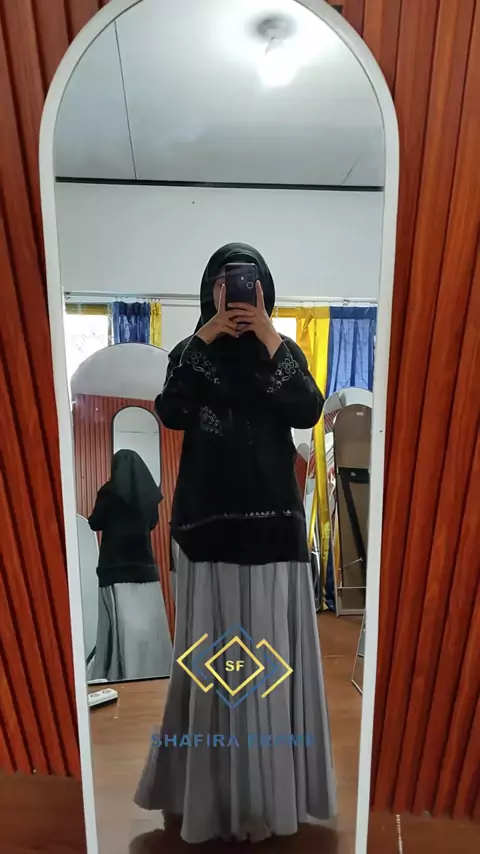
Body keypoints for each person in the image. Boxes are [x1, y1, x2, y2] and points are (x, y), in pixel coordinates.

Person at [134, 244, 336, 841]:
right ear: (212, 290)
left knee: (269, 669)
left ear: (264, 289)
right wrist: (205, 336)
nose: (238, 294)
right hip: (209, 532)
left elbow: (308, 408)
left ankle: (270, 796)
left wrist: (270, 333)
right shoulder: (191, 353)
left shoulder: (282, 352)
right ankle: (210, 795)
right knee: (212, 671)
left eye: (248, 283)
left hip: (273, 531)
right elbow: (171, 411)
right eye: (227, 284)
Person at [88, 448, 171, 681]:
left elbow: (95, 523)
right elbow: (152, 523)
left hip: (115, 567)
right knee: (148, 623)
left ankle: (121, 671)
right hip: (144, 567)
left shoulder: (109, 491)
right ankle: (155, 670)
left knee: (122, 624)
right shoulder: (149, 494)